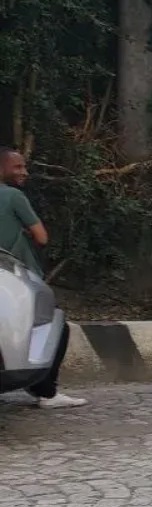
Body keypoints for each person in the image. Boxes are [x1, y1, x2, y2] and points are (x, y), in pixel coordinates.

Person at [1, 146, 86, 408]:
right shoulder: (13, 196)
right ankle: (46, 392)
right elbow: (42, 237)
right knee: (53, 328)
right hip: (16, 279)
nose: (24, 172)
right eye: (18, 167)